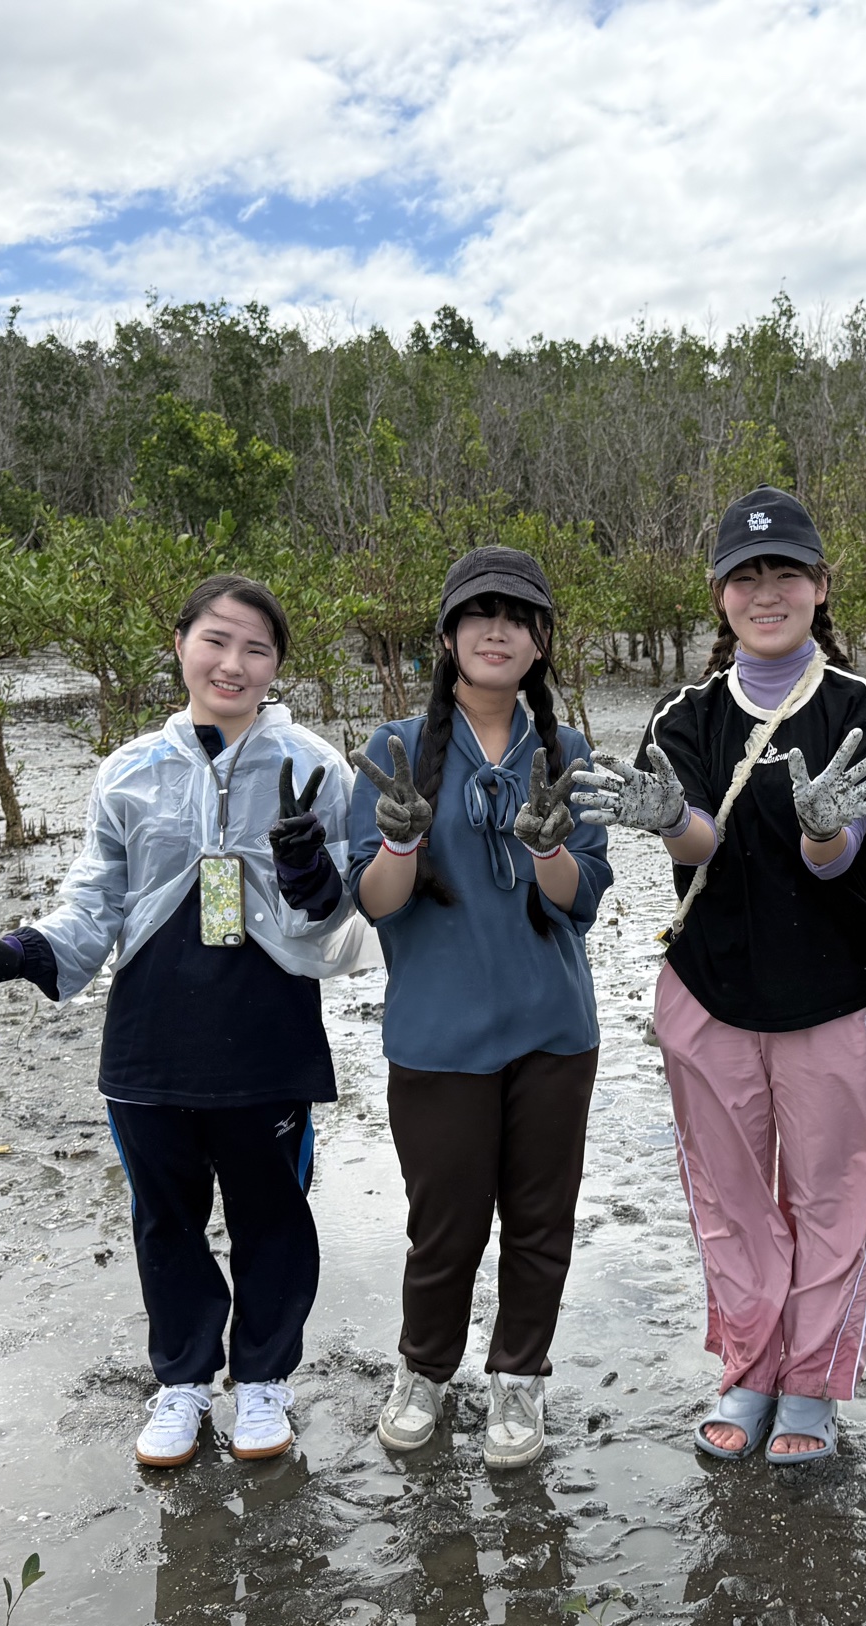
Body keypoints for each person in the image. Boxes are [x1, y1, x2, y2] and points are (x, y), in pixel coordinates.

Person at [0, 574, 368, 1469]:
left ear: (277, 665)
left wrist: (313, 877)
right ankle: (184, 1381)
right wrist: (20, 951)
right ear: (179, 642)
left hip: (267, 1032)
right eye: (216, 639)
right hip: (151, 1036)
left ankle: (264, 1379)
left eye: (257, 647)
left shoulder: (316, 765)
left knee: (274, 1214)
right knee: (165, 1219)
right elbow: (95, 902)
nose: (233, 662)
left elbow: (341, 915)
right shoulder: (128, 772)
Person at [574, 487, 866, 1465]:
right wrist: (663, 818)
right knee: (728, 1192)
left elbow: (841, 853)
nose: (766, 590)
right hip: (710, 990)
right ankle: (749, 1366)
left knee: (832, 1191)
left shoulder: (864, 709)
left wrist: (821, 829)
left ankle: (810, 1384)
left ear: (820, 585)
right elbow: (701, 841)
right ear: (720, 596)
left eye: (785, 571)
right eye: (745, 575)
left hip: (830, 993)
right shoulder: (685, 712)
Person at [346, 547, 610, 1471]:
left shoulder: (568, 752)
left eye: (518, 615)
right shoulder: (391, 751)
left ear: (540, 643)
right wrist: (398, 841)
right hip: (439, 1034)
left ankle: (518, 1376)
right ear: (450, 636)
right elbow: (377, 903)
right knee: (445, 1221)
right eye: (478, 613)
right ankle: (424, 1370)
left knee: (542, 1219)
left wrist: (547, 852)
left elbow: (583, 900)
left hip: (551, 1032)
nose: (496, 629)